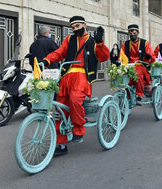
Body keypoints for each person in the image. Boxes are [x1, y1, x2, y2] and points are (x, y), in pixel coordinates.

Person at [42, 16, 110, 156]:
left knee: (74, 99)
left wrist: (100, 43)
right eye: (73, 27)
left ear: (85, 25)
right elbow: (60, 52)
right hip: (66, 77)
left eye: (77, 26)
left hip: (82, 77)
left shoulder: (92, 41)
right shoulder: (69, 39)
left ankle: (78, 129)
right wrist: (47, 59)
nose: (75, 29)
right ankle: (61, 144)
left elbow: (103, 57)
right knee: (59, 109)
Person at [120, 24, 155, 104]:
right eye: (130, 32)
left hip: (141, 65)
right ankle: (127, 98)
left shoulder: (145, 43)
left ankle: (139, 95)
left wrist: (148, 57)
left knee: (137, 74)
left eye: (134, 32)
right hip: (129, 66)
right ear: (128, 33)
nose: (132, 34)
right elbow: (121, 55)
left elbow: (152, 57)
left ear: (138, 32)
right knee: (124, 80)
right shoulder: (125, 44)